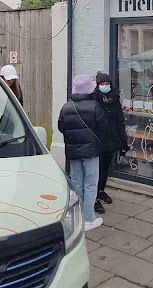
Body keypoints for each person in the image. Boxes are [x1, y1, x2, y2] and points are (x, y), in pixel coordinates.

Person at [58, 74, 105, 230]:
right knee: (90, 184)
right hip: (90, 150)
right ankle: (89, 219)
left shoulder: (66, 107)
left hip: (73, 150)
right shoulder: (95, 106)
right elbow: (102, 127)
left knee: (77, 183)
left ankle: (77, 216)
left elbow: (61, 127)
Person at [92, 72, 129, 213]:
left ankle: (101, 190)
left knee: (105, 168)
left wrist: (123, 140)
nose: (105, 86)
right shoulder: (94, 99)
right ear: (97, 86)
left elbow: (120, 120)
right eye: (102, 84)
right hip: (98, 139)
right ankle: (94, 197)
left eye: (107, 84)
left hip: (111, 139)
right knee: (95, 169)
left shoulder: (114, 99)